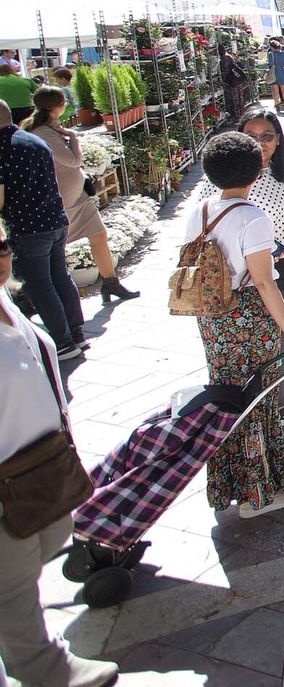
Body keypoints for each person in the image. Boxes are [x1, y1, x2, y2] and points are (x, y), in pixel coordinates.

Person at [0, 227, 121, 687]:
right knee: (12, 592)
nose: (0, 258)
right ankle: (47, 671)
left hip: (43, 466)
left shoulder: (7, 303)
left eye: (2, 245)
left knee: (40, 552)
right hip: (6, 483)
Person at [187, 132, 284, 517]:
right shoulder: (252, 217)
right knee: (255, 400)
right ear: (256, 171)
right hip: (247, 317)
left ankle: (269, 472)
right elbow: (263, 280)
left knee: (230, 398)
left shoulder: (200, 210)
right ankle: (257, 492)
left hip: (213, 316)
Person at [196, 110, 284, 429]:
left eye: (266, 136)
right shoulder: (228, 179)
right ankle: (264, 410)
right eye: (251, 136)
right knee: (268, 346)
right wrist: (270, 249)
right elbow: (213, 230)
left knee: (282, 341)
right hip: (254, 280)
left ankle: (279, 404)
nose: (260, 143)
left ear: (278, 140)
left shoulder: (282, 176)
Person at [21, 87, 139, 306]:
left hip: (77, 198)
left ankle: (110, 281)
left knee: (99, 235)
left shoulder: (49, 127)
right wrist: (74, 137)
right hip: (64, 200)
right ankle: (43, 294)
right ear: (57, 105)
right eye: (64, 101)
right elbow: (73, 160)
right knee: (60, 247)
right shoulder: (42, 132)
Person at [0, 99, 85, 359]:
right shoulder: (33, 140)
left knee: (40, 284)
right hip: (54, 219)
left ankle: (62, 341)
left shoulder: (3, 147)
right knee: (59, 276)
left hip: (27, 227)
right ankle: (76, 332)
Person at [220, 46, 250, 121]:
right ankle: (240, 114)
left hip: (231, 82)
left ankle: (235, 116)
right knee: (238, 97)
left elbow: (225, 72)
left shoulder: (224, 58)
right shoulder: (229, 56)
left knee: (233, 99)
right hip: (236, 80)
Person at [267, 40, 284, 110]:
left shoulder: (270, 54)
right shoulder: (283, 53)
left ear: (272, 47)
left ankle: (277, 105)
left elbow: (270, 64)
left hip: (274, 73)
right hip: (283, 72)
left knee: (275, 91)